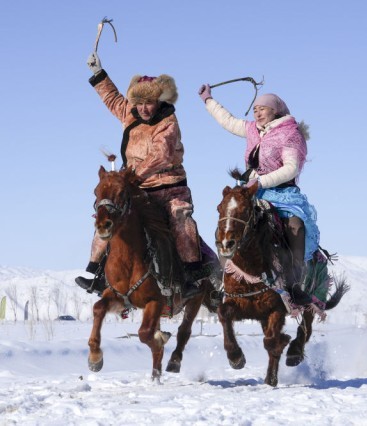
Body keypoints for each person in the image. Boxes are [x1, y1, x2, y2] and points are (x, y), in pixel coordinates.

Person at [75, 51, 208, 299]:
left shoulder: (168, 122)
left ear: (158, 101)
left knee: (181, 220)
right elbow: (112, 98)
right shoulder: (130, 113)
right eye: (139, 103)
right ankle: (98, 275)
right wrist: (98, 72)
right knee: (108, 210)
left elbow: (161, 155)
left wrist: (133, 175)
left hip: (169, 187)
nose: (143, 108)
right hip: (136, 187)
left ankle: (191, 276)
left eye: (149, 103)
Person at [197, 84, 318, 304]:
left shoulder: (290, 134)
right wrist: (208, 100)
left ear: (275, 111)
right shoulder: (252, 129)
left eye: (262, 109)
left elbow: (291, 168)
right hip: (253, 192)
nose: (257, 113)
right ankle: (225, 278)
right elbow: (228, 121)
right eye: (255, 109)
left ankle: (294, 282)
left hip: (282, 193)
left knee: (295, 226)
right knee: (230, 218)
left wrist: (260, 181)